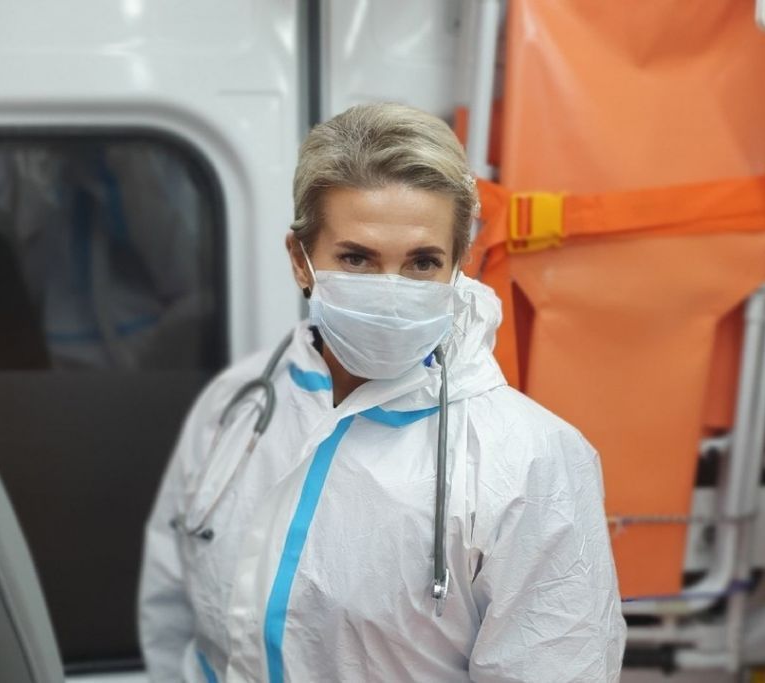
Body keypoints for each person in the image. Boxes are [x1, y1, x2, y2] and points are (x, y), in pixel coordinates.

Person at [138, 102, 625, 682]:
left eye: (422, 263)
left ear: (457, 268)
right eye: (356, 258)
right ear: (301, 260)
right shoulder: (236, 404)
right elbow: (172, 610)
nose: (391, 292)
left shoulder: (532, 461)